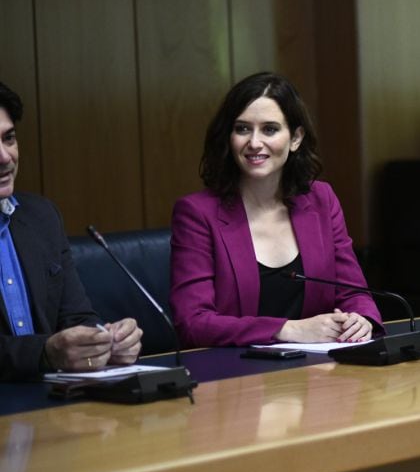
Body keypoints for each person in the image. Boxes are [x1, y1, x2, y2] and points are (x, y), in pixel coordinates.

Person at [170, 72, 381, 347]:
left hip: (319, 374)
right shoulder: (197, 213)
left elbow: (354, 293)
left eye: (269, 129)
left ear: (295, 138)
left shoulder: (321, 199)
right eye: (242, 128)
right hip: (234, 378)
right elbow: (192, 322)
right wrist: (287, 330)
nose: (254, 142)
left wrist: (360, 318)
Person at [0, 81, 142, 380]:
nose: (5, 158)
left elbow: (76, 318)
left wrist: (105, 341)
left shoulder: (41, 216)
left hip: (54, 405)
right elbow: (48, 350)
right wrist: (45, 353)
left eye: (9, 138)